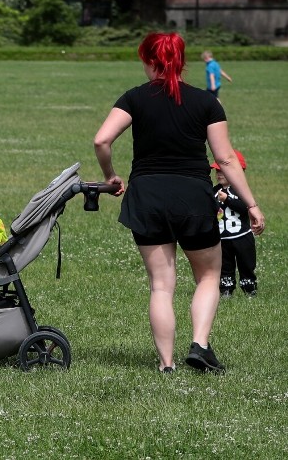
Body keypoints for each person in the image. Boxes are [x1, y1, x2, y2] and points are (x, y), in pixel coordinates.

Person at [94, 32, 265, 374]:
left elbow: (101, 139)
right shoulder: (206, 102)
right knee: (208, 275)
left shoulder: (134, 98)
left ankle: (166, 364)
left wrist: (111, 176)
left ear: (147, 60)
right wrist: (251, 204)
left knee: (161, 285)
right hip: (193, 197)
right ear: (182, 61)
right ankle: (200, 345)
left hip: (147, 195)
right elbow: (226, 159)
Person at [212, 149, 259, 297]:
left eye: (222, 171)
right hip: (222, 238)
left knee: (246, 263)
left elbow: (244, 209)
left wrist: (227, 199)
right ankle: (226, 289)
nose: (219, 174)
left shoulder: (240, 191)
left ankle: (249, 288)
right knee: (225, 266)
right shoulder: (214, 191)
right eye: (217, 171)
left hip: (242, 236)